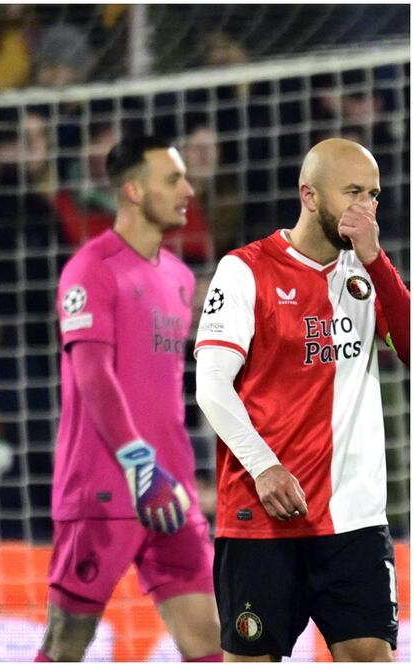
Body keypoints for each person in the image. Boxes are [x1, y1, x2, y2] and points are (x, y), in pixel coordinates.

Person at [194, 138, 409, 661]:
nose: (366, 207)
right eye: (353, 192)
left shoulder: (368, 274)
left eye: (374, 195)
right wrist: (265, 467)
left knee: (370, 656)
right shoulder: (245, 271)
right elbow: (211, 385)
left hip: (353, 518)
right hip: (262, 515)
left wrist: (378, 261)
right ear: (309, 195)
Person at [36, 136, 221, 661]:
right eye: (172, 179)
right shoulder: (91, 269)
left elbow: (160, 386)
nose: (187, 189)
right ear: (134, 190)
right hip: (106, 490)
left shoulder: (181, 278)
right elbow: (93, 373)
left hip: (171, 493)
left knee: (210, 637)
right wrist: (138, 461)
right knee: (68, 641)